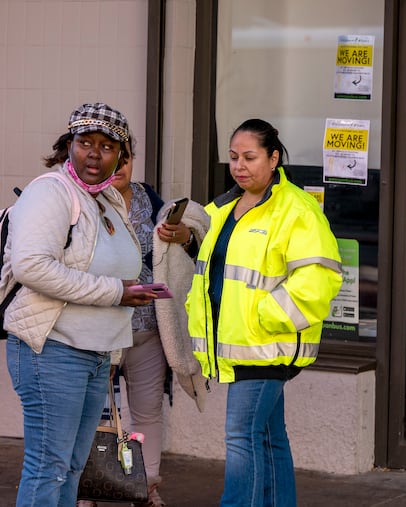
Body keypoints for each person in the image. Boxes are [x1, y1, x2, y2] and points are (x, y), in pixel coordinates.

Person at [4, 102, 157, 506]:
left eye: (107, 147)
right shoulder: (51, 192)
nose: (94, 153)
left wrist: (134, 289)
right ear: (67, 145)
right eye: (85, 142)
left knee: (73, 466)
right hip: (52, 349)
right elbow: (31, 266)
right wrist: (116, 292)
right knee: (49, 465)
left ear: (122, 157)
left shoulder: (107, 199)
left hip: (95, 353)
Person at [185, 119, 343, 507]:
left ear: (274, 159)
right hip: (236, 345)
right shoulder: (223, 207)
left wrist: (266, 317)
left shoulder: (297, 209)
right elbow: (207, 260)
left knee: (241, 437)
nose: (239, 166)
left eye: (250, 157)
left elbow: (319, 279)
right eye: (234, 157)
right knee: (270, 438)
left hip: (264, 346)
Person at [76, 136, 209, 507]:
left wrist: (183, 237)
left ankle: (146, 487)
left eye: (125, 158)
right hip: (99, 331)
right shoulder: (82, 203)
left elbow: (186, 248)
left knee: (147, 412)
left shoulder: (153, 203)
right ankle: (87, 489)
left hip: (148, 330)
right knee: (93, 413)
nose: (118, 166)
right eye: (111, 157)